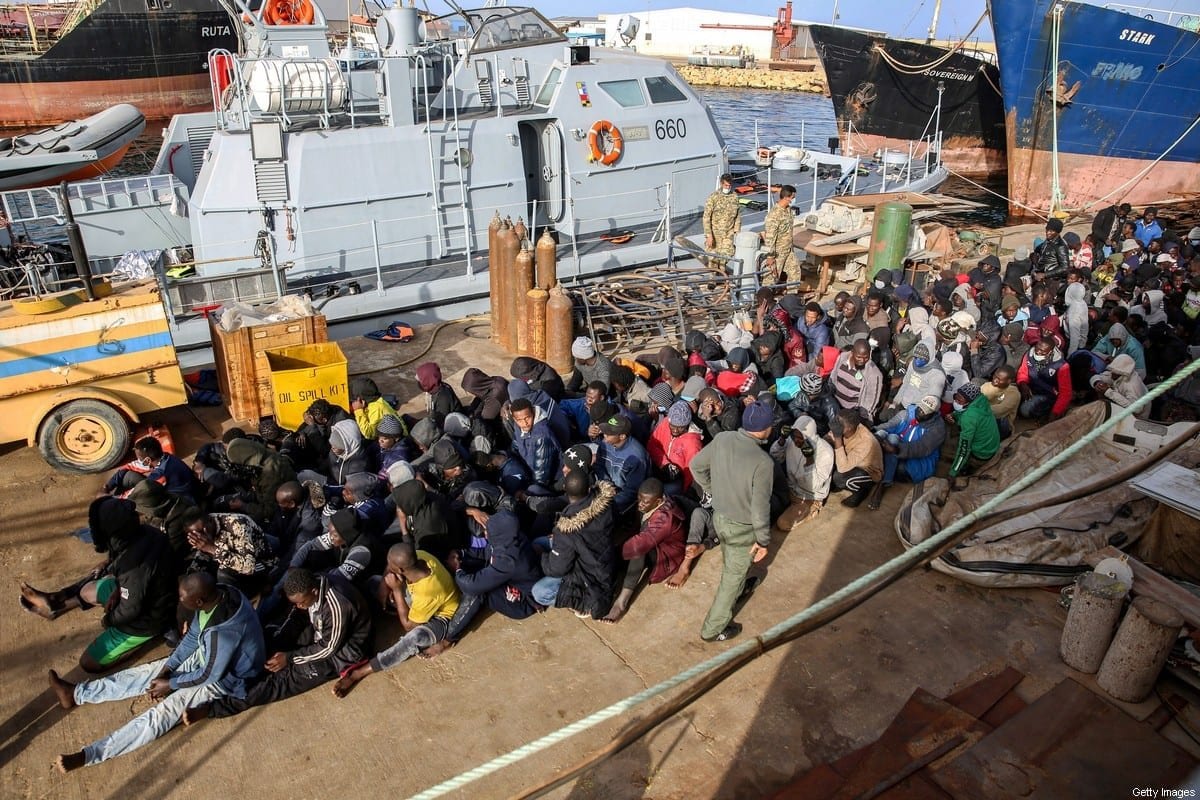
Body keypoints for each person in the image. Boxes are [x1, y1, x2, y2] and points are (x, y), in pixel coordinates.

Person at [51, 572, 265, 772]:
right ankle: (77, 694)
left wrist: (171, 684)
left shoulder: (224, 632)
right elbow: (193, 637)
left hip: (225, 679)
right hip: (207, 657)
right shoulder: (219, 594)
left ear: (199, 602)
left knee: (160, 715)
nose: (180, 600)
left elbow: (209, 675)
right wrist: (167, 669)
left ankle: (90, 755)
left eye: (183, 598)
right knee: (147, 673)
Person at [187, 568, 371, 725]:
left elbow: (328, 648)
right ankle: (233, 680)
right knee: (270, 645)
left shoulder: (338, 606)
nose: (299, 605)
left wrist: (289, 657)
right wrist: (281, 641)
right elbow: (298, 616)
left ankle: (214, 708)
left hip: (341, 652)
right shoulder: (309, 588)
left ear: (314, 592)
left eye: (301, 602)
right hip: (320, 632)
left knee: (281, 681)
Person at [21, 497, 177, 672]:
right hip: (147, 595)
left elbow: (130, 609)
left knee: (88, 663)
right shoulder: (143, 534)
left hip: (147, 620)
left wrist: (108, 620)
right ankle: (54, 607)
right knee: (88, 591)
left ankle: (150, 637)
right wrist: (118, 589)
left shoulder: (134, 565)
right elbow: (134, 581)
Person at [689, 400, 775, 643]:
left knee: (732, 564)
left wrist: (712, 490)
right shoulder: (763, 462)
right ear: (766, 428)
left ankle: (740, 586)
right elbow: (760, 508)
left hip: (720, 517)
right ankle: (712, 629)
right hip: (743, 527)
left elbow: (695, 466)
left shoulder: (723, 439)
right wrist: (763, 540)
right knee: (730, 578)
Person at [333, 543, 459, 697]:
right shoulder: (419, 555)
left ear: (401, 569)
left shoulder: (430, 589)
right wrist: (383, 594)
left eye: (393, 565)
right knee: (374, 582)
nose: (389, 566)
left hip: (441, 617)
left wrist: (397, 590)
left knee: (412, 639)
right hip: (418, 600)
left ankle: (358, 673)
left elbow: (408, 625)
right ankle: (379, 609)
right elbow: (390, 568)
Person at [603, 479, 686, 623]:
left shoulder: (664, 519)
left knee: (637, 552)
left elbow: (640, 544)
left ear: (658, 501)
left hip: (666, 557)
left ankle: (622, 602)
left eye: (645, 501)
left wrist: (607, 552)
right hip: (653, 543)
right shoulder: (648, 505)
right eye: (639, 498)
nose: (640, 503)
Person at [867, 395, 946, 510]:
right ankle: (884, 479)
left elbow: (921, 448)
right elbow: (890, 425)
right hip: (897, 448)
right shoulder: (907, 413)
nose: (920, 412)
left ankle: (882, 485)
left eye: (925, 412)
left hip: (916, 462)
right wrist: (874, 430)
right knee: (891, 437)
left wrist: (896, 449)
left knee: (888, 459)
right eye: (920, 408)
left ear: (933, 414)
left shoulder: (938, 428)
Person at [182, 510, 278, 594]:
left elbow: (249, 566)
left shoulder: (237, 524)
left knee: (223, 573)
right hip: (234, 560)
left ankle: (243, 601)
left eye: (203, 531)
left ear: (210, 520)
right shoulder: (203, 532)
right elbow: (203, 556)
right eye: (197, 535)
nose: (202, 537)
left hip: (261, 563)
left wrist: (211, 548)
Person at [771, 415, 834, 529]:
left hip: (809, 496)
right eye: (794, 434)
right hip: (790, 488)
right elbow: (775, 457)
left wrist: (809, 459)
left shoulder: (825, 452)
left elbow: (813, 486)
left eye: (799, 436)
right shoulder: (792, 440)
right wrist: (782, 439)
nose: (795, 439)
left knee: (783, 523)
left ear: (808, 437)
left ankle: (813, 509)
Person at [595, 413, 652, 521]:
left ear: (622, 436)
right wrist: (606, 485)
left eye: (609, 433)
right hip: (604, 489)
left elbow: (632, 491)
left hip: (622, 502)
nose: (604, 434)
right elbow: (598, 466)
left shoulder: (637, 457)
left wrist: (609, 502)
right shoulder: (604, 443)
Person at [225, 438, 297, 522]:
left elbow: (268, 511)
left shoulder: (269, 474)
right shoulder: (266, 455)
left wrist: (243, 506)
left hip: (283, 511)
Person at [827, 407, 883, 508]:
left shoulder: (865, 441)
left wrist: (837, 438)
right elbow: (827, 439)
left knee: (839, 478)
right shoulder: (846, 427)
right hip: (852, 461)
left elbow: (842, 468)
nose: (836, 426)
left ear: (848, 428)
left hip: (868, 471)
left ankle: (862, 491)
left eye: (838, 425)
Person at [646, 401, 704, 495]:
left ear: (687, 424)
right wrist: (665, 464)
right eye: (672, 426)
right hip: (659, 468)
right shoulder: (665, 423)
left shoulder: (693, 443)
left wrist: (684, 493)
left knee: (659, 494)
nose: (676, 430)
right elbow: (652, 444)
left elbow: (691, 473)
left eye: (681, 427)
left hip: (677, 480)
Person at [950, 382, 1001, 485]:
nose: (956, 401)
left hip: (981, 453)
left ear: (969, 401)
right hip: (992, 445)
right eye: (955, 397)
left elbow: (964, 449)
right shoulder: (982, 401)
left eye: (960, 400)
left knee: (961, 457)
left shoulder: (969, 417)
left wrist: (953, 472)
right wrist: (955, 414)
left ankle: (968, 469)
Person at [509, 397, 562, 489]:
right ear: (514, 419)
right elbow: (516, 446)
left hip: (551, 480)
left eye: (527, 418)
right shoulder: (518, 425)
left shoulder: (542, 436)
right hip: (529, 471)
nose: (524, 423)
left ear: (533, 413)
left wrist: (530, 493)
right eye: (519, 420)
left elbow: (541, 476)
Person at [1017, 335, 1073, 420]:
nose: (1038, 352)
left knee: (1025, 410)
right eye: (1037, 348)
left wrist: (1055, 412)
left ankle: (1049, 410)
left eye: (1042, 351)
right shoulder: (1030, 354)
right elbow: (1023, 372)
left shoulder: (1061, 366)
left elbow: (1065, 392)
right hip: (1031, 388)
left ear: (1050, 352)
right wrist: (1023, 384)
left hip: (1048, 394)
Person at [830, 341, 883, 422]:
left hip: (851, 414)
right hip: (835, 405)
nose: (862, 360)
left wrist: (861, 417)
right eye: (858, 357)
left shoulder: (874, 373)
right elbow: (833, 376)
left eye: (866, 357)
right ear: (852, 352)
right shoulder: (843, 357)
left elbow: (871, 400)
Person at [130, 436, 196, 502]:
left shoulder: (159, 474)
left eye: (140, 459)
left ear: (147, 460)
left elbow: (147, 490)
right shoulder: (168, 456)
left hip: (188, 501)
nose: (138, 461)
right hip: (194, 489)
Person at [761, 184, 797, 284]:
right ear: (786, 198)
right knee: (771, 278)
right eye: (793, 197)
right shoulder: (774, 215)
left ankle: (792, 296)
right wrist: (770, 256)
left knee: (795, 273)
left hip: (788, 249)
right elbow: (770, 237)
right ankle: (764, 297)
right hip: (777, 252)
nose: (794, 199)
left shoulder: (788, 210)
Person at [702, 172, 741, 263]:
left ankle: (723, 273)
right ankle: (714, 275)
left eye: (729, 185)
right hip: (715, 234)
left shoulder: (734, 197)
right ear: (721, 184)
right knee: (713, 260)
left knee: (726, 257)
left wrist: (737, 230)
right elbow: (706, 217)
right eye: (726, 185)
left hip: (728, 233)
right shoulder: (714, 197)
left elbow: (738, 215)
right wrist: (709, 235)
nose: (728, 187)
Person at [415, 362, 463, 428]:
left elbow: (439, 424)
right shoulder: (436, 388)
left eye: (420, 380)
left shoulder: (443, 398)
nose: (419, 383)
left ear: (428, 380)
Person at [981, 365, 1020, 438]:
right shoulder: (986, 386)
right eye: (995, 376)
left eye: (999, 379)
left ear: (1009, 381)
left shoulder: (1013, 393)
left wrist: (979, 410)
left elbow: (1001, 409)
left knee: (1000, 419)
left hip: (999, 421)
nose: (995, 380)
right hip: (984, 415)